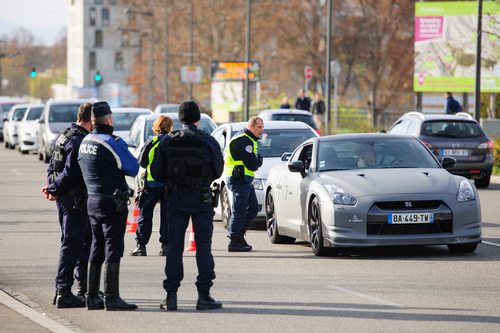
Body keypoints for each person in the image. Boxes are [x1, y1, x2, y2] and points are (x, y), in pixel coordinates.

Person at [150, 101, 224, 311]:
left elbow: (156, 172)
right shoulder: (207, 140)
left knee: (174, 247)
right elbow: (218, 170)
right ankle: (204, 296)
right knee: (203, 247)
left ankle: (171, 296)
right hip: (201, 199)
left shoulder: (167, 141)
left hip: (176, 199)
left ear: (180, 119)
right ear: (197, 118)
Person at [77, 101, 139, 311]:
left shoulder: (86, 140)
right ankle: (111, 297)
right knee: (113, 248)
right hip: (111, 202)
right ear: (109, 120)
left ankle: (92, 296)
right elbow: (133, 168)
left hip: (92, 200)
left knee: (96, 246)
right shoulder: (111, 142)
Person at [42, 102, 93, 309]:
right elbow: (71, 172)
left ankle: (81, 287)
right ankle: (64, 291)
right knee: (73, 244)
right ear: (92, 119)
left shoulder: (64, 135)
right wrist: (55, 189)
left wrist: (53, 188)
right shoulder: (79, 139)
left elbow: (52, 166)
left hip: (66, 198)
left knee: (80, 242)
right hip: (74, 200)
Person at [130, 115, 173, 257]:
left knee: (145, 214)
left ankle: (141, 246)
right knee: (167, 216)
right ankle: (165, 247)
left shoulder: (152, 142)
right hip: (169, 185)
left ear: (157, 126)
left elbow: (141, 163)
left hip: (151, 184)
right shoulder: (173, 142)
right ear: (170, 127)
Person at [225, 116, 264, 252]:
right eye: (259, 127)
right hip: (239, 179)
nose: (261, 130)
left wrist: (257, 160)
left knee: (253, 208)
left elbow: (255, 161)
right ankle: (234, 240)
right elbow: (253, 164)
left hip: (245, 179)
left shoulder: (249, 140)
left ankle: (239, 234)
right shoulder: (244, 140)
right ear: (251, 127)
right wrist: (258, 160)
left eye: (262, 127)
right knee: (239, 211)